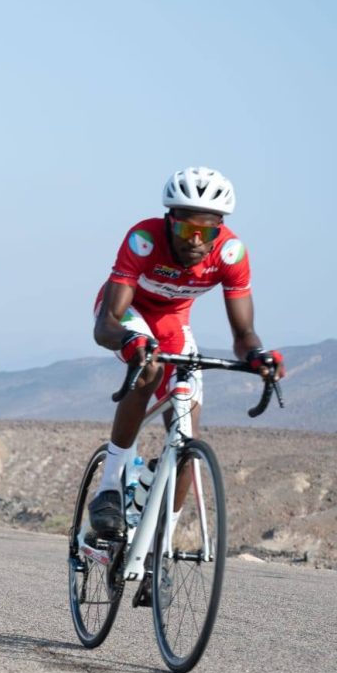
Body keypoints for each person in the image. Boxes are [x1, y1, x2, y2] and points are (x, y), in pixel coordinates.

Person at [86, 166, 286, 540]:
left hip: (172, 324)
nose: (195, 241)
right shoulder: (144, 239)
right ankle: (110, 487)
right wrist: (128, 341)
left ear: (219, 229)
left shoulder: (231, 253)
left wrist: (257, 355)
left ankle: (160, 545)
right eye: (185, 230)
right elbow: (106, 323)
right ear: (169, 220)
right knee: (148, 370)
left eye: (206, 232)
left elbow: (243, 334)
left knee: (185, 431)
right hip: (129, 315)